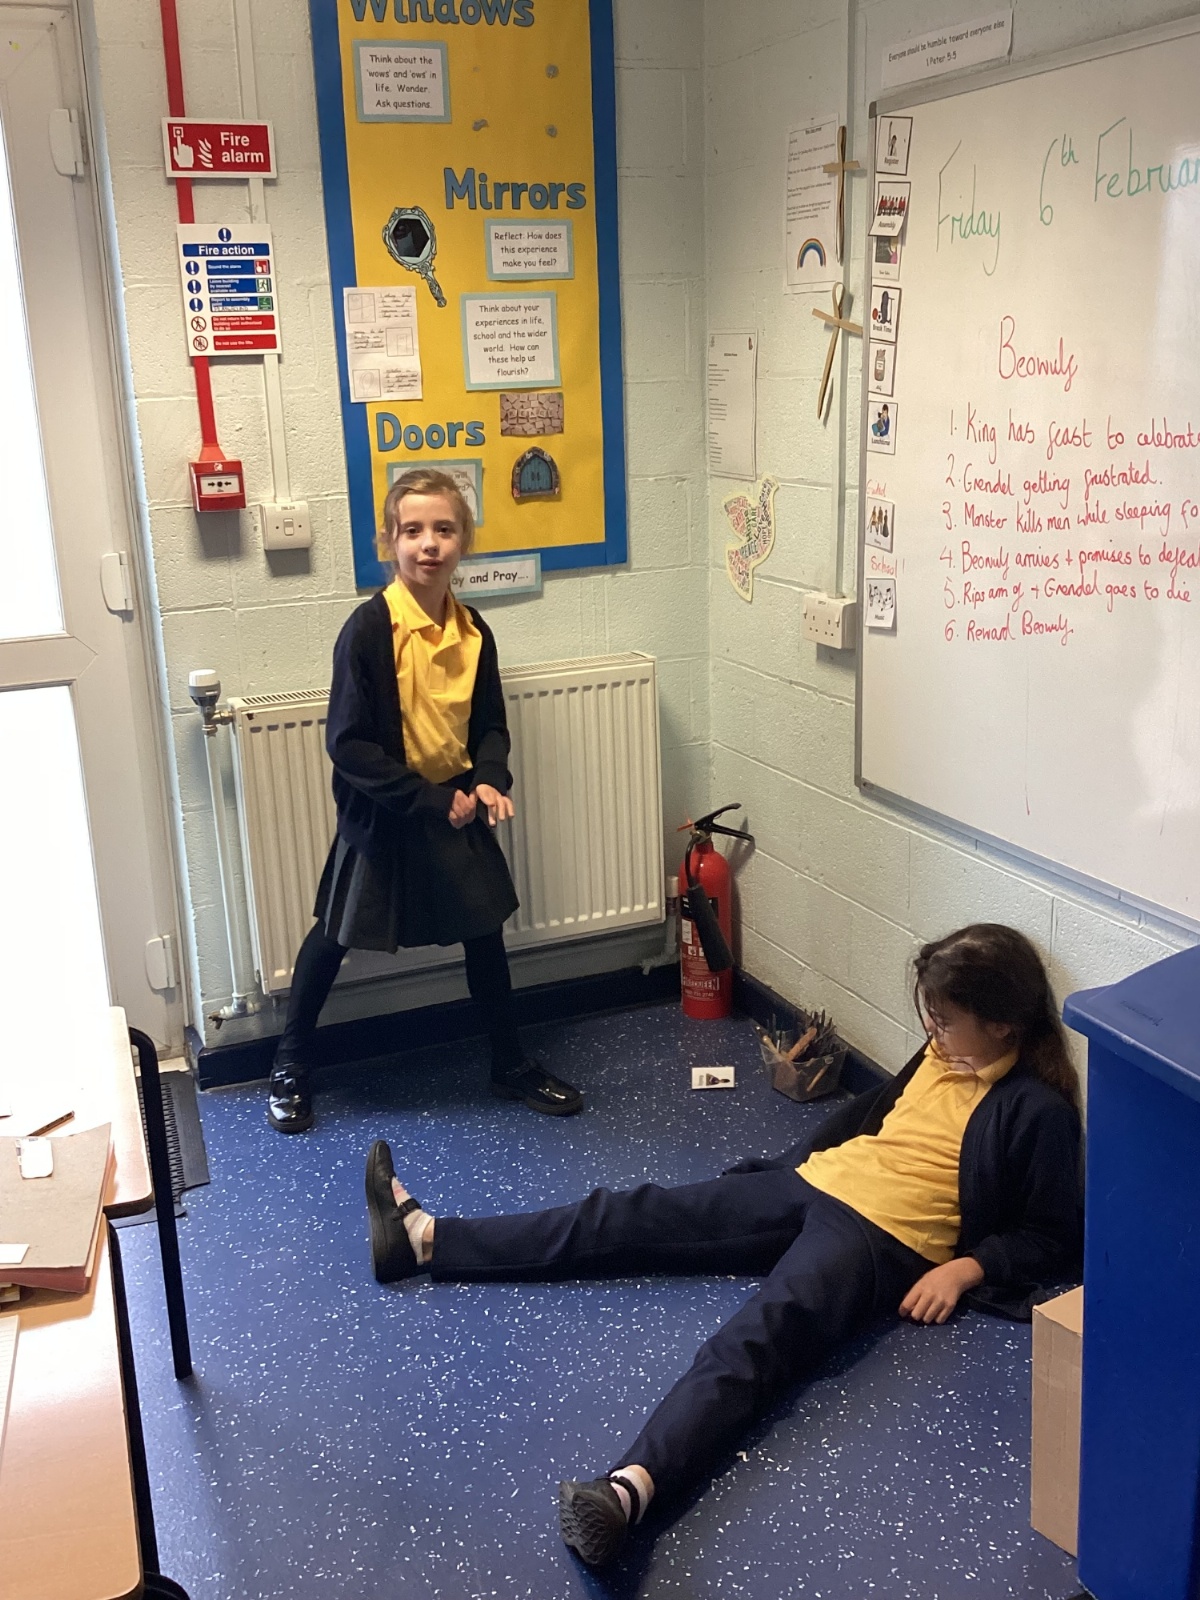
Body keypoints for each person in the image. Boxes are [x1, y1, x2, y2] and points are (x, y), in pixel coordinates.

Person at [363, 923, 1082, 1565]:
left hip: (880, 1239)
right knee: (631, 1215)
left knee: (756, 1340)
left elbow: (1052, 1235)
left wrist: (967, 1267)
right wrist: (779, 1170)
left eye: (946, 1021)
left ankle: (627, 1492)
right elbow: (865, 1122)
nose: (932, 1030)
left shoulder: (1036, 1110)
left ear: (1004, 1026)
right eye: (930, 1016)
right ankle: (425, 1241)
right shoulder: (939, 1055)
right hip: (816, 1184)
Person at [267, 467, 582, 1133]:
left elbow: (490, 724)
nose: (428, 543)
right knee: (333, 935)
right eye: (412, 531)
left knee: (484, 932)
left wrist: (489, 778)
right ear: (390, 542)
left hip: (457, 806)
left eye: (443, 529)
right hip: (386, 811)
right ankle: (290, 1064)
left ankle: (508, 1064)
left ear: (464, 540)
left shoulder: (474, 631)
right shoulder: (367, 630)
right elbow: (349, 745)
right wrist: (428, 800)